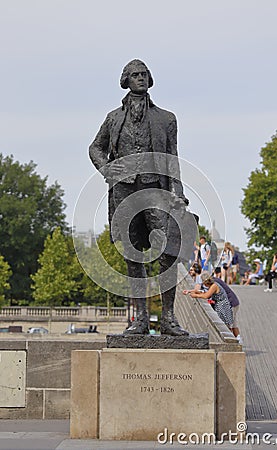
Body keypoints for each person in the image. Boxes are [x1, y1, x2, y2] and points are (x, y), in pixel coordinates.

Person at [89, 59, 191, 336]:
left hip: (155, 188)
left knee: (168, 251)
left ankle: (168, 318)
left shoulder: (166, 118)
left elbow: (172, 158)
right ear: (125, 80)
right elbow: (95, 148)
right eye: (135, 75)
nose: (140, 79)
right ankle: (141, 320)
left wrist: (178, 192)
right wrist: (107, 168)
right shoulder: (113, 118)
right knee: (132, 256)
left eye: (144, 75)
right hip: (123, 191)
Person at [214, 267, 242, 342]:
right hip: (234, 302)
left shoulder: (215, 282)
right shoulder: (217, 280)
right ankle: (238, 339)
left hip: (231, 304)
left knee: (228, 324)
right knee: (233, 324)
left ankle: (232, 342)